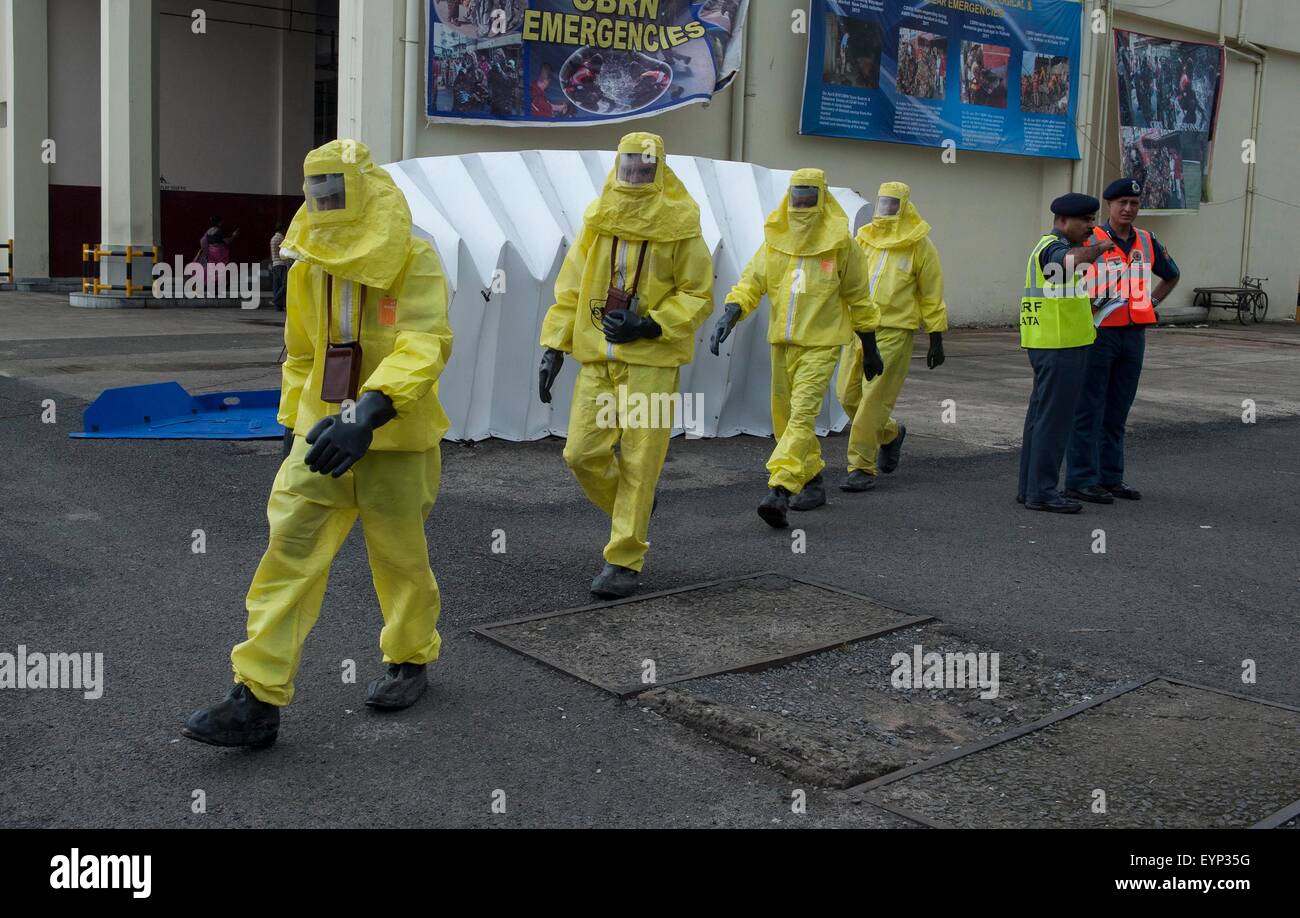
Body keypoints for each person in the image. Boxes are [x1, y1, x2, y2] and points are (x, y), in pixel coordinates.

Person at [182, 139, 454, 747]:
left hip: (393, 440)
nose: (325, 201)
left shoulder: (413, 253)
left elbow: (424, 342)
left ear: (362, 187)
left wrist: (372, 412)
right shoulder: (308, 259)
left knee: (400, 558)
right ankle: (256, 695)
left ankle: (410, 659)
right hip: (321, 436)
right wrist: (289, 427)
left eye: (336, 189)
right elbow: (302, 356)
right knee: (287, 553)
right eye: (316, 190)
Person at [538, 132, 712, 599]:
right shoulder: (599, 219)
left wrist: (652, 325)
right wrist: (554, 345)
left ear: (659, 167)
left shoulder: (681, 225)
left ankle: (624, 558)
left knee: (639, 459)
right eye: (628, 164)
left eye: (644, 165)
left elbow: (698, 292)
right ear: (617, 165)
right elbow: (571, 286)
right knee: (581, 454)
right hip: (598, 358)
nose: (635, 173)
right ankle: (633, 506)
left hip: (650, 365)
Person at [710, 169, 883, 527]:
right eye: (797, 197)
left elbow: (859, 297)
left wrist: (870, 344)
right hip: (782, 344)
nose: (802, 205)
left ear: (822, 199)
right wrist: (731, 312)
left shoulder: (840, 245)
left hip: (821, 345)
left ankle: (780, 489)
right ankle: (813, 481)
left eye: (809, 197)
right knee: (785, 421)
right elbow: (752, 281)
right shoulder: (776, 240)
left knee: (802, 416)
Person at [1064, 178, 1180, 504]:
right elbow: (1065, 278)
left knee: (1117, 410)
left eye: (1133, 203)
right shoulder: (1092, 238)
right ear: (1109, 206)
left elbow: (1171, 274)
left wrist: (1152, 302)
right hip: (1098, 333)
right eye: (1121, 203)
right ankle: (1080, 480)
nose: (1128, 209)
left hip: (1134, 335)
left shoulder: (1147, 239)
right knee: (1089, 408)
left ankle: (1110, 478)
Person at [836, 182, 947, 492]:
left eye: (891, 205)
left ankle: (861, 467)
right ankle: (890, 434)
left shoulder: (919, 246)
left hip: (894, 331)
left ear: (904, 206)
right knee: (846, 395)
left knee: (872, 400)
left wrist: (936, 335)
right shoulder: (864, 239)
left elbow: (931, 294)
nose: (885, 210)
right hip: (858, 329)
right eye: (881, 204)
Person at [1018, 193, 1112, 513]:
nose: (1091, 226)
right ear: (1063, 221)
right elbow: (1068, 262)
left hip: (1053, 343)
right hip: (1058, 346)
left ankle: (1029, 488)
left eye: (1093, 219)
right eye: (1085, 220)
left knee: (1040, 420)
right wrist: (1099, 248)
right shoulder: (1052, 248)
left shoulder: (1049, 246)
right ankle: (1042, 492)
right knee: (1053, 423)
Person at [269, 224, 290, 311]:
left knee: (276, 286)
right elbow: (285, 251)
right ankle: (275, 300)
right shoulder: (281, 238)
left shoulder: (273, 239)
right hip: (281, 264)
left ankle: (278, 307)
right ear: (282, 229)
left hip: (275, 264)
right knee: (285, 285)